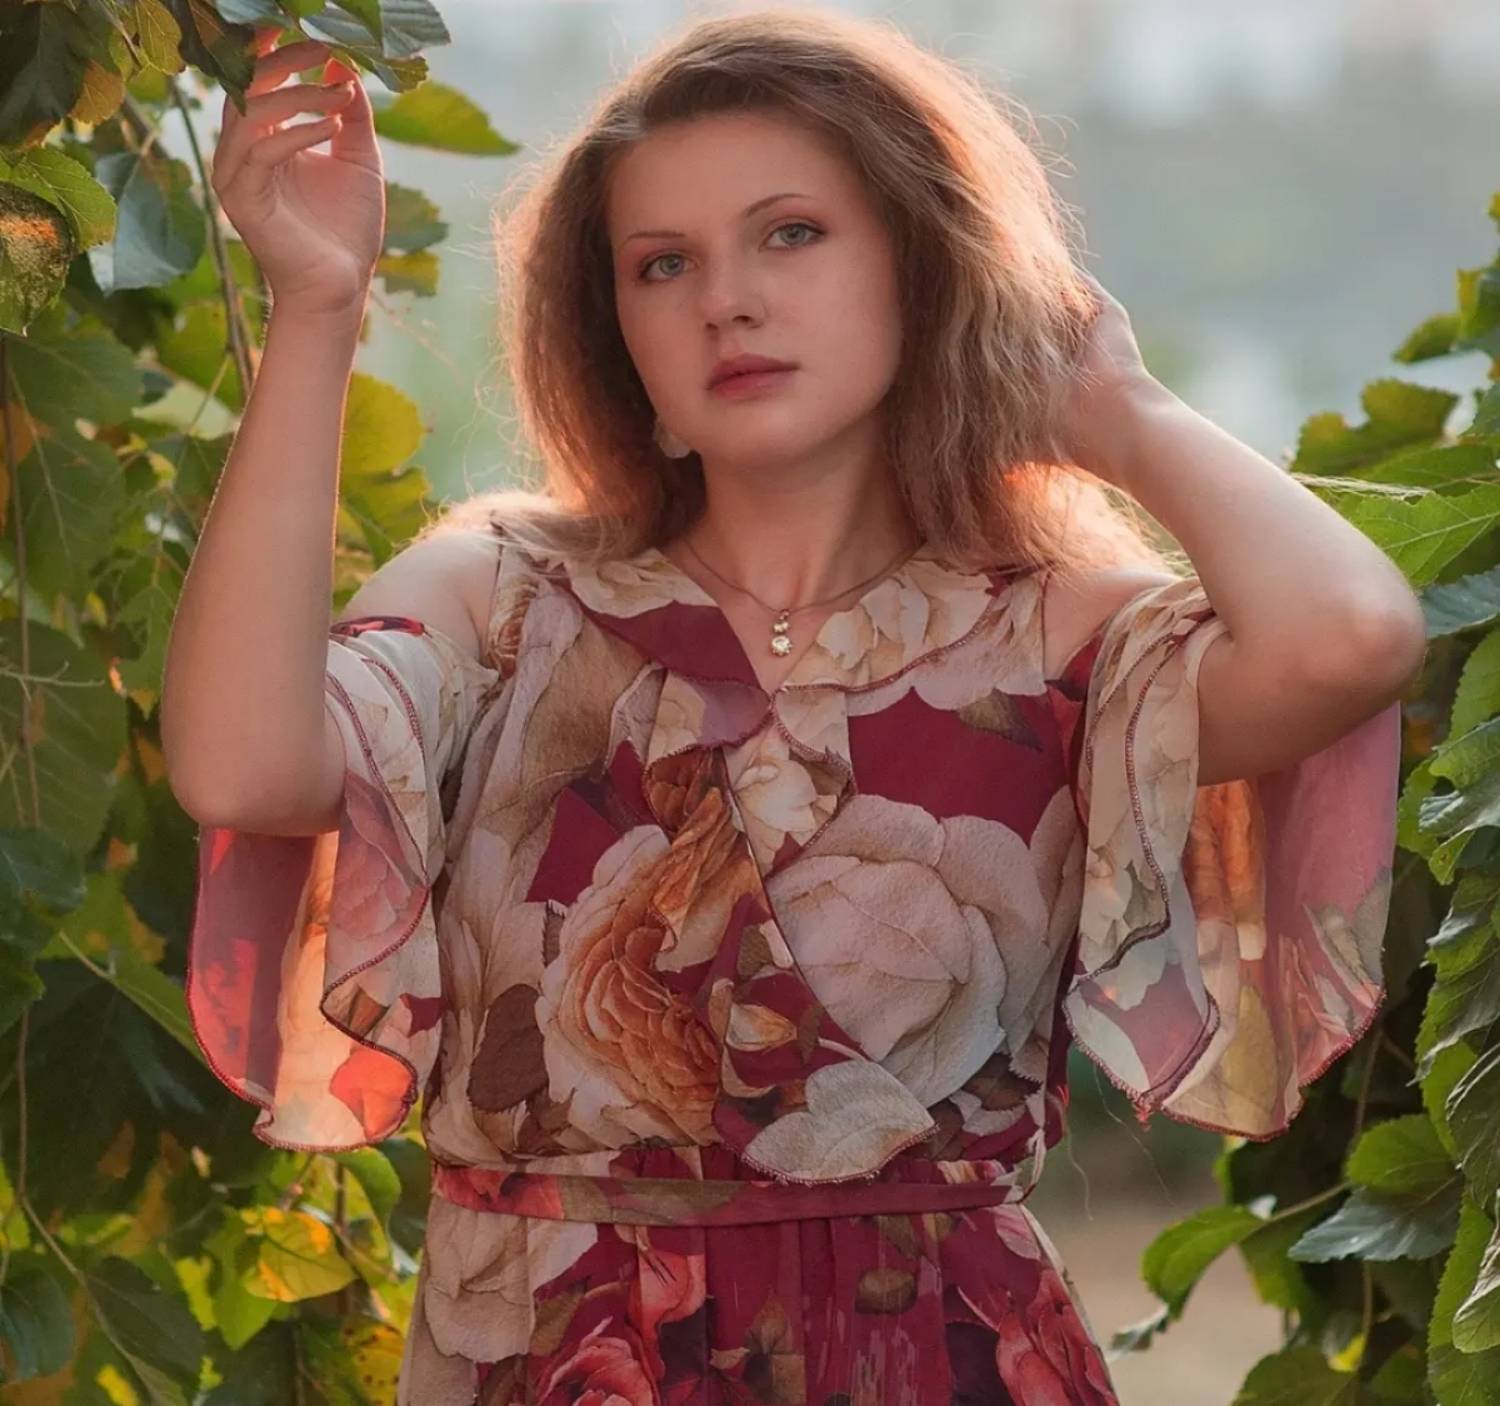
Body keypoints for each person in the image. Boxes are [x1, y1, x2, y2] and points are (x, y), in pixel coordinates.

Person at [162, 9, 1425, 1403]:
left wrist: (1118, 410)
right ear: (619, 330)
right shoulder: (501, 597)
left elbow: (1353, 639)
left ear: (919, 264)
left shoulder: (1055, 632)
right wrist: (318, 307)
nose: (727, 301)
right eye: (664, 264)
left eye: (791, 234)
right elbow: (241, 768)